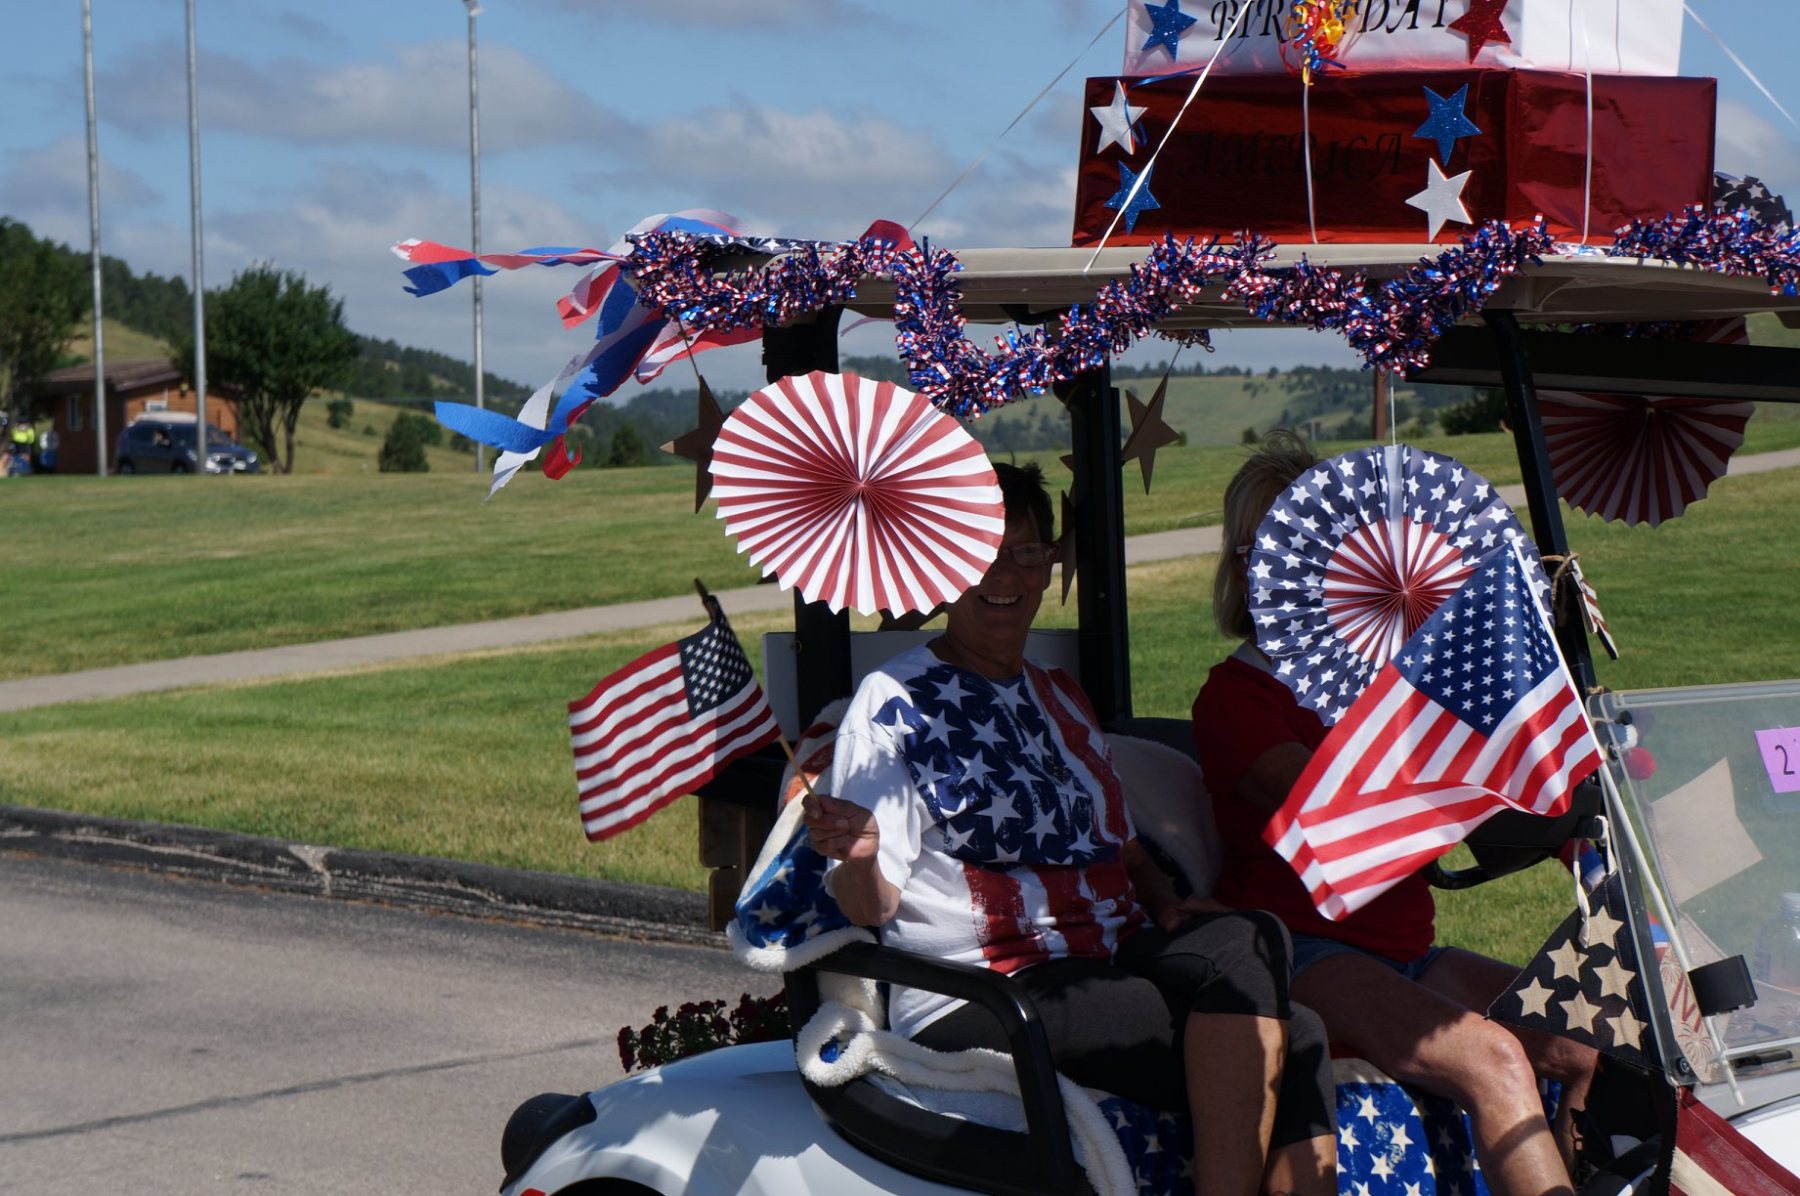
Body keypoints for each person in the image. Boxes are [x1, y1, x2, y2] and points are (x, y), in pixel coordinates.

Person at [805, 461, 1336, 1196]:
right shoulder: (896, 701)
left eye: (1027, 552)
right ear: (943, 565)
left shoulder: (1059, 696)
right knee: (1271, 1027)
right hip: (988, 984)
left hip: (1103, 952)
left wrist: (1164, 900)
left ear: (1050, 563)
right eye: (982, 552)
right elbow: (871, 905)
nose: (1006, 575)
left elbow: (1121, 847)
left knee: (1272, 973)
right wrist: (861, 857)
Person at [1190, 430, 1597, 1196]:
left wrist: (1566, 809)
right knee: (1496, 1061)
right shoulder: (1234, 698)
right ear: (1240, 570)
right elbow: (1329, 806)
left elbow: (1491, 786)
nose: (1284, 568)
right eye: (1260, 551)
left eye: (1308, 547)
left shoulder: (1389, 682)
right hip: (1306, 954)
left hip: (1408, 947)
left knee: (1584, 1041)